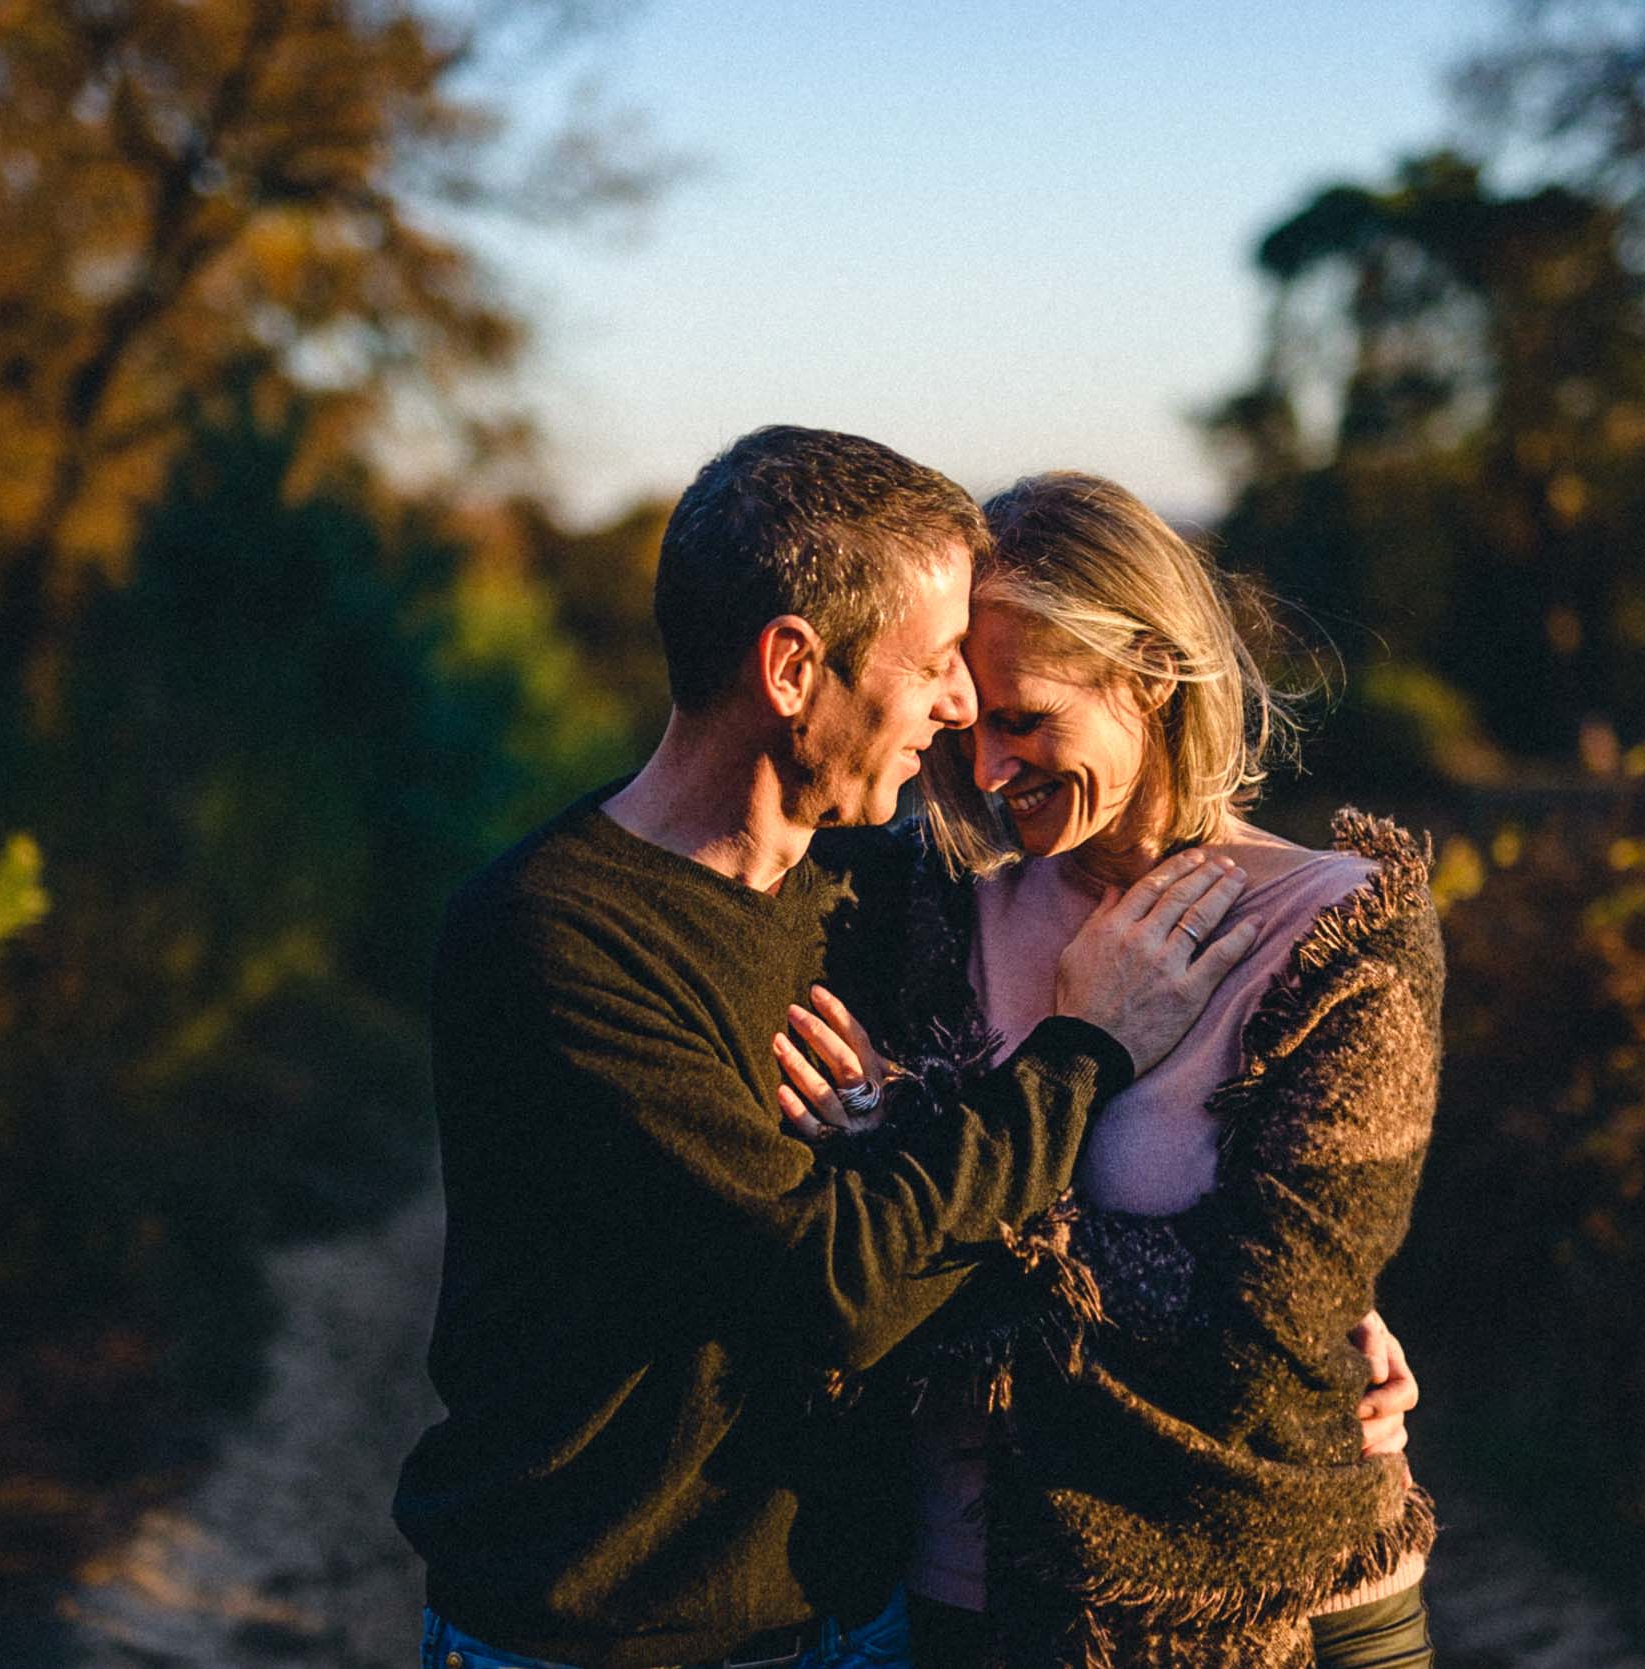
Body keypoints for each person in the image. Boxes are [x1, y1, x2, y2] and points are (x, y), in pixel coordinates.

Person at [392, 428, 1277, 1669]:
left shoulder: (863, 903)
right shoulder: (551, 938)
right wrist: (1082, 1054)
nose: (965, 709)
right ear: (793, 665)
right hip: (604, 1632)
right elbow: (837, 1287)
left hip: (860, 1612)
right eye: (935, 666)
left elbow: (964, 1214)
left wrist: (1297, 1325)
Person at [768, 472, 1442, 1669]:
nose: (982, 768)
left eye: (1025, 720)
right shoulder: (921, 911)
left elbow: (1267, 1351)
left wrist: (912, 1146)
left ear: (1150, 675)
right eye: (966, 716)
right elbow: (830, 1277)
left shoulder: (1341, 934)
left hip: (1279, 1604)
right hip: (967, 1604)